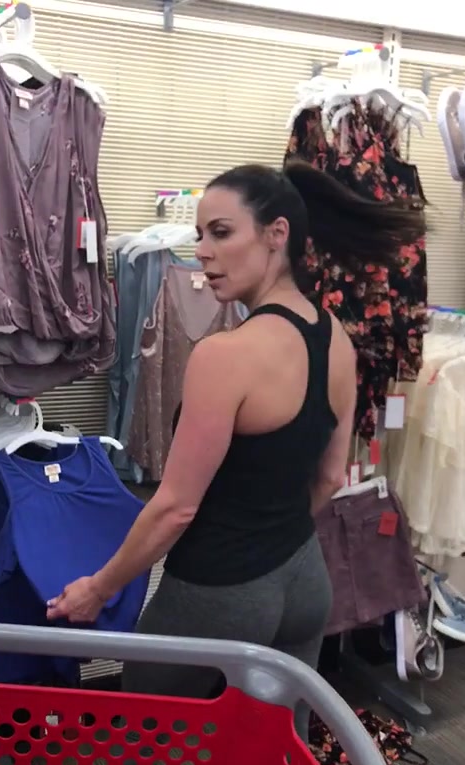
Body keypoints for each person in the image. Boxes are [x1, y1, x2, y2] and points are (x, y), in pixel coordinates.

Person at [47, 161, 425, 734]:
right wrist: (273, 538)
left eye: (221, 233)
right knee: (272, 747)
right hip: (304, 580)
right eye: (200, 235)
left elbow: (176, 507)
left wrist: (97, 590)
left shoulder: (225, 355)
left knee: (144, 743)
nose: (202, 251)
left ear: (277, 234)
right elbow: (331, 477)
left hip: (218, 591)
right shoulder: (335, 338)